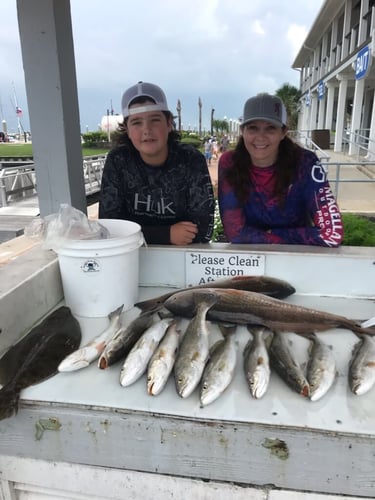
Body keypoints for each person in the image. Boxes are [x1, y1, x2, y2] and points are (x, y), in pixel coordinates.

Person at [218, 93, 344, 247]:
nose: (260, 137)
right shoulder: (230, 162)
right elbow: (235, 233)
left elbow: (332, 233)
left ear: (283, 132)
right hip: (250, 260)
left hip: (295, 259)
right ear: (242, 131)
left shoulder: (305, 163)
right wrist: (290, 236)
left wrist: (272, 234)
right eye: (253, 128)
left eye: (270, 128)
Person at [99, 81, 215, 245]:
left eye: (155, 120)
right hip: (132, 257)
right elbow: (110, 227)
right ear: (126, 129)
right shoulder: (118, 161)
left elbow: (202, 230)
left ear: (169, 123)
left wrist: (135, 233)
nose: (146, 129)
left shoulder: (190, 159)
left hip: (182, 257)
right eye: (136, 122)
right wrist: (166, 234)